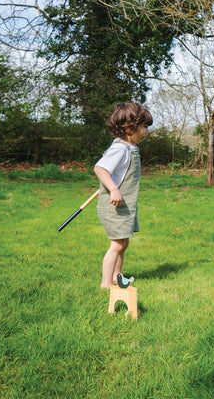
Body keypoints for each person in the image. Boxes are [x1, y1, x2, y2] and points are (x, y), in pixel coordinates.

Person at [94, 102, 152, 289]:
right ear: (129, 128)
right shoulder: (120, 148)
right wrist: (113, 189)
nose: (147, 131)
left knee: (123, 243)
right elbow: (100, 168)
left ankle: (117, 276)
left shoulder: (130, 147)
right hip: (115, 206)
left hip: (125, 205)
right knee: (117, 245)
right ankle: (106, 283)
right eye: (144, 127)